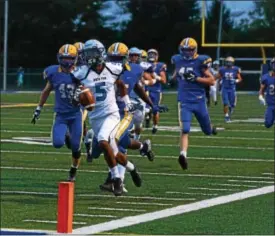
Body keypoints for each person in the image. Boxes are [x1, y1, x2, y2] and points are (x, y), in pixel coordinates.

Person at [72, 39, 141, 196]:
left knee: (103, 140)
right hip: (95, 118)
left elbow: (121, 86)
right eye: (86, 54)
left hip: (111, 114)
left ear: (100, 53)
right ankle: (132, 168)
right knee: (115, 154)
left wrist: (127, 102)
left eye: (91, 54)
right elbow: (74, 92)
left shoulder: (112, 68)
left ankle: (116, 179)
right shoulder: (82, 73)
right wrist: (77, 96)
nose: (88, 57)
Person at [97, 43, 156, 193]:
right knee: (122, 143)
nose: (115, 61)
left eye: (118, 58)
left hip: (123, 113)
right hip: (106, 112)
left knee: (115, 145)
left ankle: (118, 181)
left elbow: (137, 87)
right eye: (112, 58)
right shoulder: (103, 70)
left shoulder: (134, 69)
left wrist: (151, 104)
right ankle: (143, 148)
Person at [31, 44, 83, 182]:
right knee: (57, 143)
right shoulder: (53, 72)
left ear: (75, 58)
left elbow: (89, 92)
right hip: (61, 115)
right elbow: (46, 90)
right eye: (64, 58)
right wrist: (38, 108)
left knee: (76, 147)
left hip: (76, 115)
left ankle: (73, 170)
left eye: (69, 58)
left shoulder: (80, 73)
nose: (67, 62)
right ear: (59, 58)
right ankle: (66, 135)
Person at [171, 37, 217, 170]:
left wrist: (196, 78)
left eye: (190, 50)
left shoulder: (201, 61)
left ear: (195, 50)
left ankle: (211, 128)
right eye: (184, 50)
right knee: (185, 129)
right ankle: (183, 155)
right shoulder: (178, 60)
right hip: (184, 100)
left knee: (207, 131)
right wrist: (172, 79)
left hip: (199, 100)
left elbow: (212, 81)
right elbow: (177, 70)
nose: (187, 53)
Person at [145, 49, 167, 134]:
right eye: (150, 54)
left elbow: (164, 80)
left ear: (157, 56)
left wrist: (156, 77)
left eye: (153, 54)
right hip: (145, 90)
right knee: (145, 109)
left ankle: (155, 126)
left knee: (155, 110)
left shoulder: (160, 65)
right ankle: (147, 116)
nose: (151, 56)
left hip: (156, 91)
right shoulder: (144, 64)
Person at [216, 56, 243, 123]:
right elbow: (217, 77)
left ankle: (231, 109)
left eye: (230, 62)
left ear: (232, 63)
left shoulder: (236, 69)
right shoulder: (222, 69)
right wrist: (219, 83)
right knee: (225, 103)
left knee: (232, 104)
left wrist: (235, 81)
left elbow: (240, 79)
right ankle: (226, 116)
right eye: (227, 62)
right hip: (224, 88)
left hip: (232, 89)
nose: (228, 63)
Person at [259, 57, 275, 128]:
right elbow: (262, 89)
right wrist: (260, 96)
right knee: (268, 124)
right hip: (271, 105)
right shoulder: (266, 77)